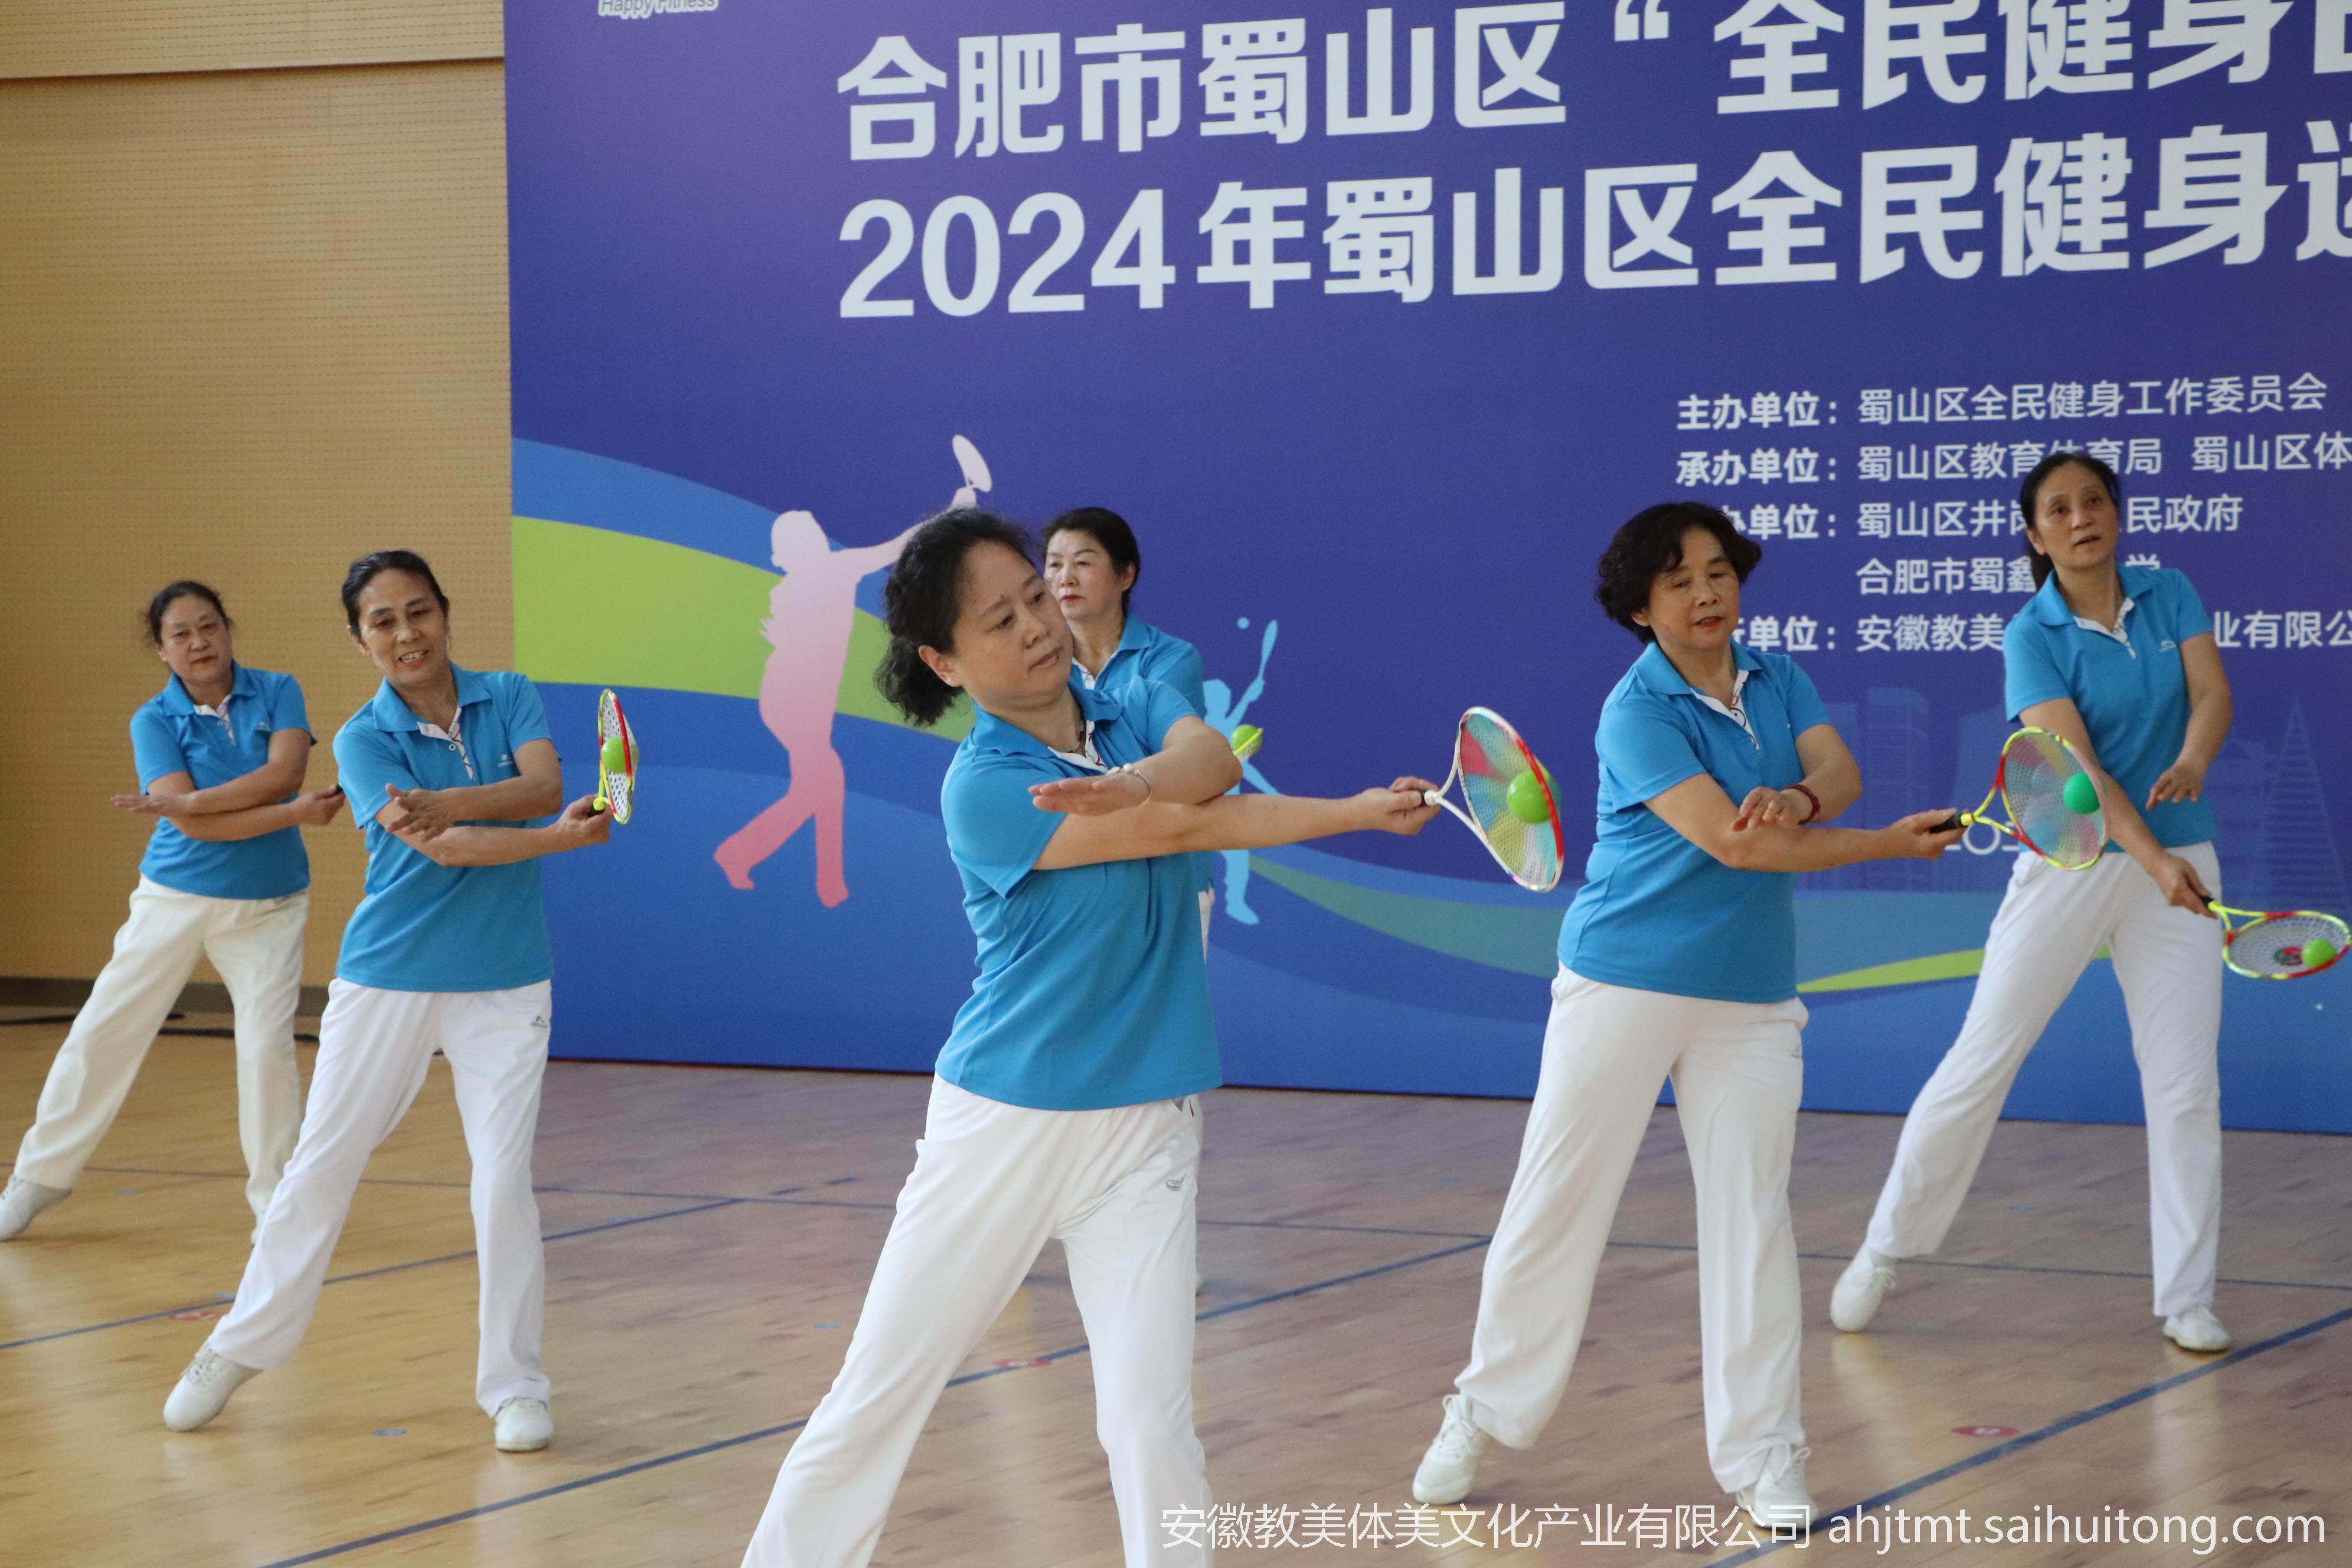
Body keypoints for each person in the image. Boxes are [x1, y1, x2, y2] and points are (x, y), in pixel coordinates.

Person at [738, 511, 1436, 1567]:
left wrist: (1140, 775)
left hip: (1147, 1120)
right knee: (879, 1394)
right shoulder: (983, 786)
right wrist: (1347, 812)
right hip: (1008, 1125)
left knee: (1152, 1424)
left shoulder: (1128, 702)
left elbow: (1206, 761)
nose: (1034, 625)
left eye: (1035, 596)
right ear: (944, 661)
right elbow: (1190, 823)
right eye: (997, 621)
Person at [1409, 502, 1962, 1531]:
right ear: (1639, 608)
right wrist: (1887, 844)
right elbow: (1735, 845)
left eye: (1718, 572)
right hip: (1622, 982)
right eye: (1678, 582)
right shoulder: (1636, 711)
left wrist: (1800, 798)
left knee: (1752, 1217)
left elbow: (1837, 772)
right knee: (1555, 1203)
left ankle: (1765, 1453)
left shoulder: (1778, 678)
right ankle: (1480, 1412)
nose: (1707, 594)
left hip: (1749, 995)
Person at [161, 550, 611, 1451]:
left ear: (444, 613)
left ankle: (516, 1386)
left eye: (419, 612)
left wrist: (453, 802)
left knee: (502, 1184)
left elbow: (544, 788)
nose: (407, 633)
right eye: (383, 621)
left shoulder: (509, 694)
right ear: (359, 640)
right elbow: (447, 848)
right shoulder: (362, 741)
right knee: (320, 1166)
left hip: (506, 979)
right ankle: (236, 1346)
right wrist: (547, 840)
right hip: (389, 978)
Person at [1831, 451, 2236, 1354]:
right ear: (2036, 536)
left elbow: (2212, 693)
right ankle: (1884, 1248)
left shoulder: (2170, 594)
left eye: (2094, 501)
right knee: (1984, 1056)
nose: (2081, 517)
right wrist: (2153, 861)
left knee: (2184, 1082)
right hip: (2075, 854)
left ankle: (2188, 1298)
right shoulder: (2031, 635)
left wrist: (2193, 762)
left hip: (2180, 852)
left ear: (2117, 514)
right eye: (2059, 509)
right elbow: (2078, 772)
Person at [1, 583, 343, 1241]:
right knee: (102, 1031)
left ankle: (277, 1205)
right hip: (174, 896)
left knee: (266, 1050)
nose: (198, 642)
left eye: (208, 626)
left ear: (228, 629)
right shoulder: (152, 720)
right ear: (161, 650)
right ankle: (36, 1180)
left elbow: (285, 776)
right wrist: (283, 815)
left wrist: (193, 801)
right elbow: (197, 829)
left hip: (270, 904)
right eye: (180, 634)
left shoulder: (279, 691)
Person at [1044, 507, 1217, 942]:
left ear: (1125, 575)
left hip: (1169, 879)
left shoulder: (1172, 659)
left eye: (1083, 562)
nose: (1065, 578)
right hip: (1073, 881)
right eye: (1054, 564)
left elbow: (1161, 761)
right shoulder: (1037, 663)